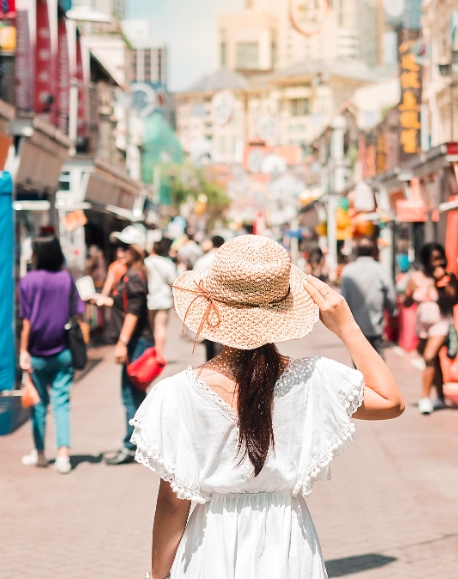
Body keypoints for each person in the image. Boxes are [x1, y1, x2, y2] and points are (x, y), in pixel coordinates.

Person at [130, 235, 404, 578]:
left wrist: (157, 575)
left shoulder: (175, 395)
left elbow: (173, 504)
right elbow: (391, 401)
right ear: (283, 311)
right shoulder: (314, 379)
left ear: (212, 306)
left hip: (210, 549)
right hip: (289, 548)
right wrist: (347, 327)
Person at [18, 235, 85, 475]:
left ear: (38, 254)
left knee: (38, 405)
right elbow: (77, 312)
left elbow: (26, 321)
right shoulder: (66, 279)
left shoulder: (27, 281)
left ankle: (39, 453)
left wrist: (23, 351)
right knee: (61, 403)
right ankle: (63, 456)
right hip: (64, 351)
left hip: (36, 352)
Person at [93, 239, 154, 466]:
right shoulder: (131, 274)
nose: (120, 252)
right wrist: (105, 300)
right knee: (137, 395)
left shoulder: (135, 276)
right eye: (118, 247)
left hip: (136, 342)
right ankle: (144, 443)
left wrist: (122, 342)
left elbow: (134, 313)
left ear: (136, 249)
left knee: (131, 394)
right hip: (136, 341)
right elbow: (126, 306)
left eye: (125, 247)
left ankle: (132, 446)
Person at [402, 242, 458, 415]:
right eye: (433, 259)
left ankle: (425, 398)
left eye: (440, 258)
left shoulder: (446, 276)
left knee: (428, 357)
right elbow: (407, 303)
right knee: (433, 361)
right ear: (426, 260)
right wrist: (409, 292)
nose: (437, 262)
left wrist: (441, 281)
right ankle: (440, 397)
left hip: (440, 322)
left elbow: (453, 299)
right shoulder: (416, 277)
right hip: (422, 325)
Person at [340, 238, 396, 358]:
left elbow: (344, 299)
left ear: (357, 252)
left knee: (359, 362)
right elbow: (390, 294)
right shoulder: (380, 269)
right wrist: (392, 313)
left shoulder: (348, 271)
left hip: (355, 326)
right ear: (374, 252)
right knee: (379, 361)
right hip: (376, 325)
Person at [193, 235, 225, 361]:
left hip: (206, 302)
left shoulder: (202, 260)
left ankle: (210, 363)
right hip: (223, 303)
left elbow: (195, 283)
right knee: (222, 336)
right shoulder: (226, 261)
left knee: (208, 336)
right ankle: (221, 361)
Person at [145, 237, 177, 357]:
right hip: (163, 300)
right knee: (161, 327)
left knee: (151, 328)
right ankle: (158, 354)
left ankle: (151, 352)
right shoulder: (167, 263)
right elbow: (172, 282)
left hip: (149, 299)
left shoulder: (145, 262)